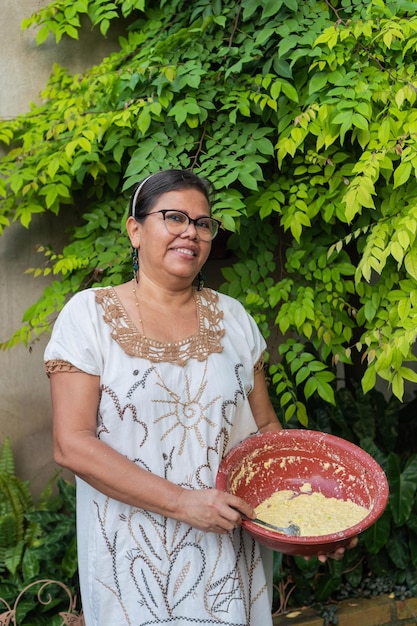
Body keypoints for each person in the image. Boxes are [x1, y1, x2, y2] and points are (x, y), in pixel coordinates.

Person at [44, 169, 350, 626]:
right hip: (132, 561)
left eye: (203, 223)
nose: (191, 231)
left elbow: (267, 433)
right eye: (174, 217)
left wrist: (309, 523)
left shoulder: (235, 319)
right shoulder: (88, 316)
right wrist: (183, 503)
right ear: (134, 230)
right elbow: (72, 444)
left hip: (230, 554)